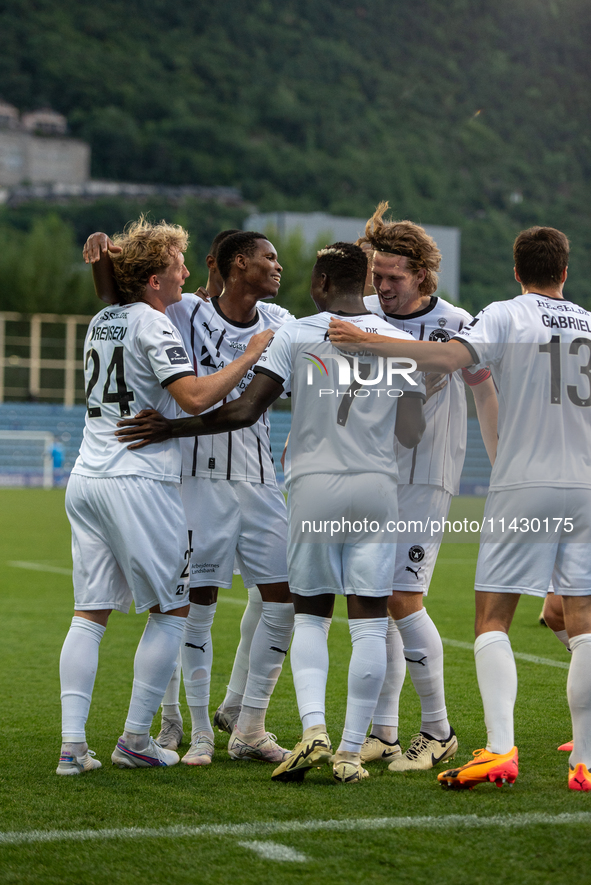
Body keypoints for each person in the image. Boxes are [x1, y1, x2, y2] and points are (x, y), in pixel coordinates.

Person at [116, 242, 426, 784]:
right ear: (368, 285)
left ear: (323, 283)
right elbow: (412, 431)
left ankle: (313, 732)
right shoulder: (398, 341)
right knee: (370, 623)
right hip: (378, 488)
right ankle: (352, 751)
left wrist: (173, 427)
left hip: (312, 486)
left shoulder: (296, 331)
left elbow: (243, 409)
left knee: (308, 613)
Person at [328, 226, 591, 791]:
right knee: (581, 622)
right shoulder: (589, 323)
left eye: (393, 274)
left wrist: (370, 344)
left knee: (489, 619)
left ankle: (489, 745)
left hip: (516, 480)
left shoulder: (499, 314)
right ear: (565, 271)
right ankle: (584, 760)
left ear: (517, 270)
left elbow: (453, 360)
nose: (383, 284)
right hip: (584, 483)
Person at [57, 218, 272, 775]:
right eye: (178, 264)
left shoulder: (102, 319)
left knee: (88, 616)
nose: (186, 274)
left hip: (87, 478)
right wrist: (250, 355)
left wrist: (105, 255)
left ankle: (74, 747)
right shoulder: (154, 325)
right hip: (140, 481)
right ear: (154, 280)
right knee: (174, 610)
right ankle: (135, 739)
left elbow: (115, 289)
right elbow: (196, 398)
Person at [355, 203, 498, 772]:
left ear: (422, 277)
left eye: (394, 277)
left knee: (401, 597)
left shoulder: (458, 324)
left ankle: (438, 730)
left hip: (426, 475)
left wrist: (502, 460)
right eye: (378, 275)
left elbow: (485, 392)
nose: (383, 286)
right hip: (371, 472)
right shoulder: (362, 314)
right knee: (375, 599)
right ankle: (384, 732)